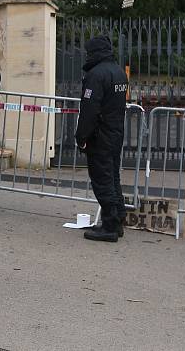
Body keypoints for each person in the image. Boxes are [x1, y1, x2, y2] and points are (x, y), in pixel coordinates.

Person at [75, 35, 128, 242]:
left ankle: (110, 226)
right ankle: (118, 218)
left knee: (102, 179)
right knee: (113, 177)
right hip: (115, 133)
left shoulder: (96, 75)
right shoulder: (119, 72)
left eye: (89, 52)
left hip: (100, 136)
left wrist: (81, 136)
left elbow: (89, 111)